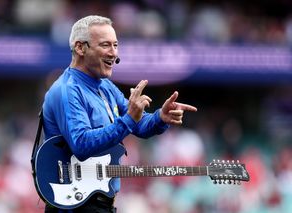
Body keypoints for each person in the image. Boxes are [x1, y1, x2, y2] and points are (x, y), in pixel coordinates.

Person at [42, 15, 197, 213]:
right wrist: (129, 120)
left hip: (100, 202)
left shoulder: (105, 86)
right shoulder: (67, 90)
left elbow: (138, 123)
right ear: (80, 48)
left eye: (115, 45)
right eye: (106, 45)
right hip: (75, 206)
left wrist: (159, 117)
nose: (114, 53)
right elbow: (80, 144)